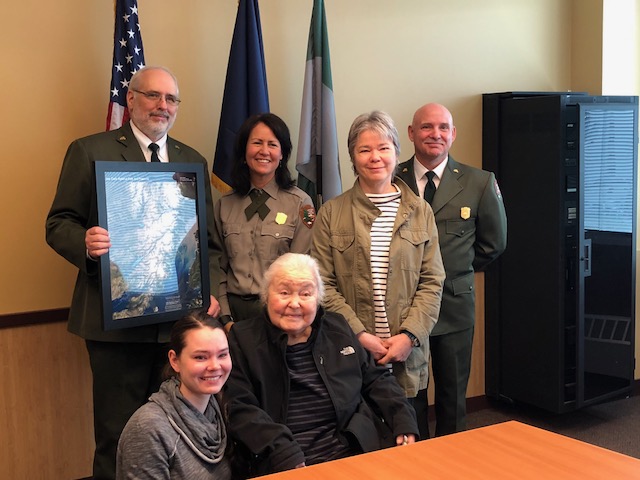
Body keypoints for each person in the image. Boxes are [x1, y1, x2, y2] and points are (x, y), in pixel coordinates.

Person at [45, 66, 221, 480]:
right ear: (131, 99)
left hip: (177, 326)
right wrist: (86, 244)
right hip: (116, 327)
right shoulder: (90, 151)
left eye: (171, 99)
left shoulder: (191, 159)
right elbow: (58, 223)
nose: (163, 106)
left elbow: (207, 243)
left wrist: (206, 292)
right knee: (118, 434)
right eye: (153, 96)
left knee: (179, 431)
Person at [311, 111, 445, 440]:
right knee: (360, 446)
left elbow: (432, 281)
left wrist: (409, 336)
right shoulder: (331, 213)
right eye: (364, 150)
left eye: (383, 148)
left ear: (397, 153)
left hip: (406, 355)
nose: (375, 158)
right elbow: (322, 284)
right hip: (351, 354)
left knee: (411, 445)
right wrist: (360, 335)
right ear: (353, 158)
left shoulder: (421, 211)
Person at [224, 253, 419, 477]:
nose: (294, 303)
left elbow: (377, 380)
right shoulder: (243, 339)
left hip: (351, 450)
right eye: (284, 292)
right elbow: (239, 408)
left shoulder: (337, 328)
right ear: (266, 295)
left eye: (305, 293)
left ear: (318, 298)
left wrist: (403, 418)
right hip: (284, 460)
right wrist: (281, 450)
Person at [397, 102, 507, 436]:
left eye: (443, 127)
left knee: (452, 396)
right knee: (409, 393)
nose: (436, 134)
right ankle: (413, 462)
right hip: (403, 306)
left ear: (453, 134)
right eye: (427, 127)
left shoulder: (479, 182)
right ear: (412, 133)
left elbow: (494, 244)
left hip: (453, 305)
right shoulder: (391, 178)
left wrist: (452, 272)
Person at [214, 113, 315, 327]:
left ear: (282, 154)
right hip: (231, 316)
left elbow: (299, 269)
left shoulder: (300, 204)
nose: (264, 151)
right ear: (244, 151)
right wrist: (225, 319)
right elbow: (218, 268)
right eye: (257, 143)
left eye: (272, 144)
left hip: (278, 315)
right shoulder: (225, 204)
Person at [116, 311, 231, 479]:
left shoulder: (220, 407)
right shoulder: (148, 428)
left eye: (222, 354)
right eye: (200, 357)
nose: (214, 365)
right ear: (174, 360)